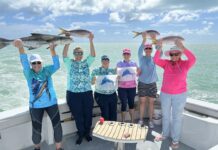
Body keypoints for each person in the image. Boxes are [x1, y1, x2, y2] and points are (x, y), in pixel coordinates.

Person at [13, 39, 63, 150]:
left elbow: (57, 65)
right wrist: (21, 47)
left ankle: (59, 148)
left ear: (41, 63)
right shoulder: (28, 73)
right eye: (33, 63)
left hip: (51, 103)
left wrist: (52, 50)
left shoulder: (47, 70)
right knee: (36, 129)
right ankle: (37, 148)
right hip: (35, 106)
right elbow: (24, 62)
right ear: (31, 65)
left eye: (38, 62)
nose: (36, 65)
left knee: (57, 126)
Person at [153, 40, 196, 149]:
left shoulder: (185, 64)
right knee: (166, 116)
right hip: (165, 94)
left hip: (180, 95)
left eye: (177, 54)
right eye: (172, 54)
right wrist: (159, 48)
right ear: (170, 55)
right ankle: (165, 135)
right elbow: (155, 59)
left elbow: (193, 59)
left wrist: (182, 47)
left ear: (180, 54)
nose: (174, 56)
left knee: (177, 117)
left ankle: (175, 140)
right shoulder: (166, 63)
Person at [63, 33, 96, 145]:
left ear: (82, 54)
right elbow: (64, 55)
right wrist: (67, 41)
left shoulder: (86, 63)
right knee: (78, 115)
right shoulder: (70, 63)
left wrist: (91, 40)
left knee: (88, 114)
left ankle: (87, 133)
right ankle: (80, 133)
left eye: (80, 53)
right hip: (73, 94)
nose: (78, 55)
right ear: (74, 54)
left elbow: (93, 55)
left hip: (86, 92)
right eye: (76, 53)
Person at [137, 32, 158, 128]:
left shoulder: (155, 59)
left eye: (150, 48)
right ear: (145, 50)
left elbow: (160, 51)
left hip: (152, 84)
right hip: (142, 83)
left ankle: (150, 121)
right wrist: (144, 39)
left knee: (151, 103)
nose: (148, 49)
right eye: (147, 48)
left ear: (151, 50)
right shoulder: (141, 58)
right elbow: (139, 50)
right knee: (142, 102)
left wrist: (154, 39)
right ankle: (141, 120)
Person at [91, 55, 118, 121]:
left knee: (113, 113)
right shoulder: (95, 71)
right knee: (105, 114)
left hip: (112, 94)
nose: (105, 61)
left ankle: (112, 129)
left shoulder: (113, 71)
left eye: (107, 60)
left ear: (109, 62)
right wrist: (93, 80)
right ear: (101, 61)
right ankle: (105, 129)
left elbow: (120, 75)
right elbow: (92, 83)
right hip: (100, 95)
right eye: (103, 60)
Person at [116, 48, 138, 123]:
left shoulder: (134, 63)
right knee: (124, 104)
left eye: (128, 54)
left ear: (130, 55)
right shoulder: (119, 63)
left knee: (131, 103)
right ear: (123, 55)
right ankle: (123, 121)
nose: (126, 55)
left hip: (132, 87)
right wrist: (117, 76)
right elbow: (116, 74)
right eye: (125, 54)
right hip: (122, 88)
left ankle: (132, 121)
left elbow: (137, 73)